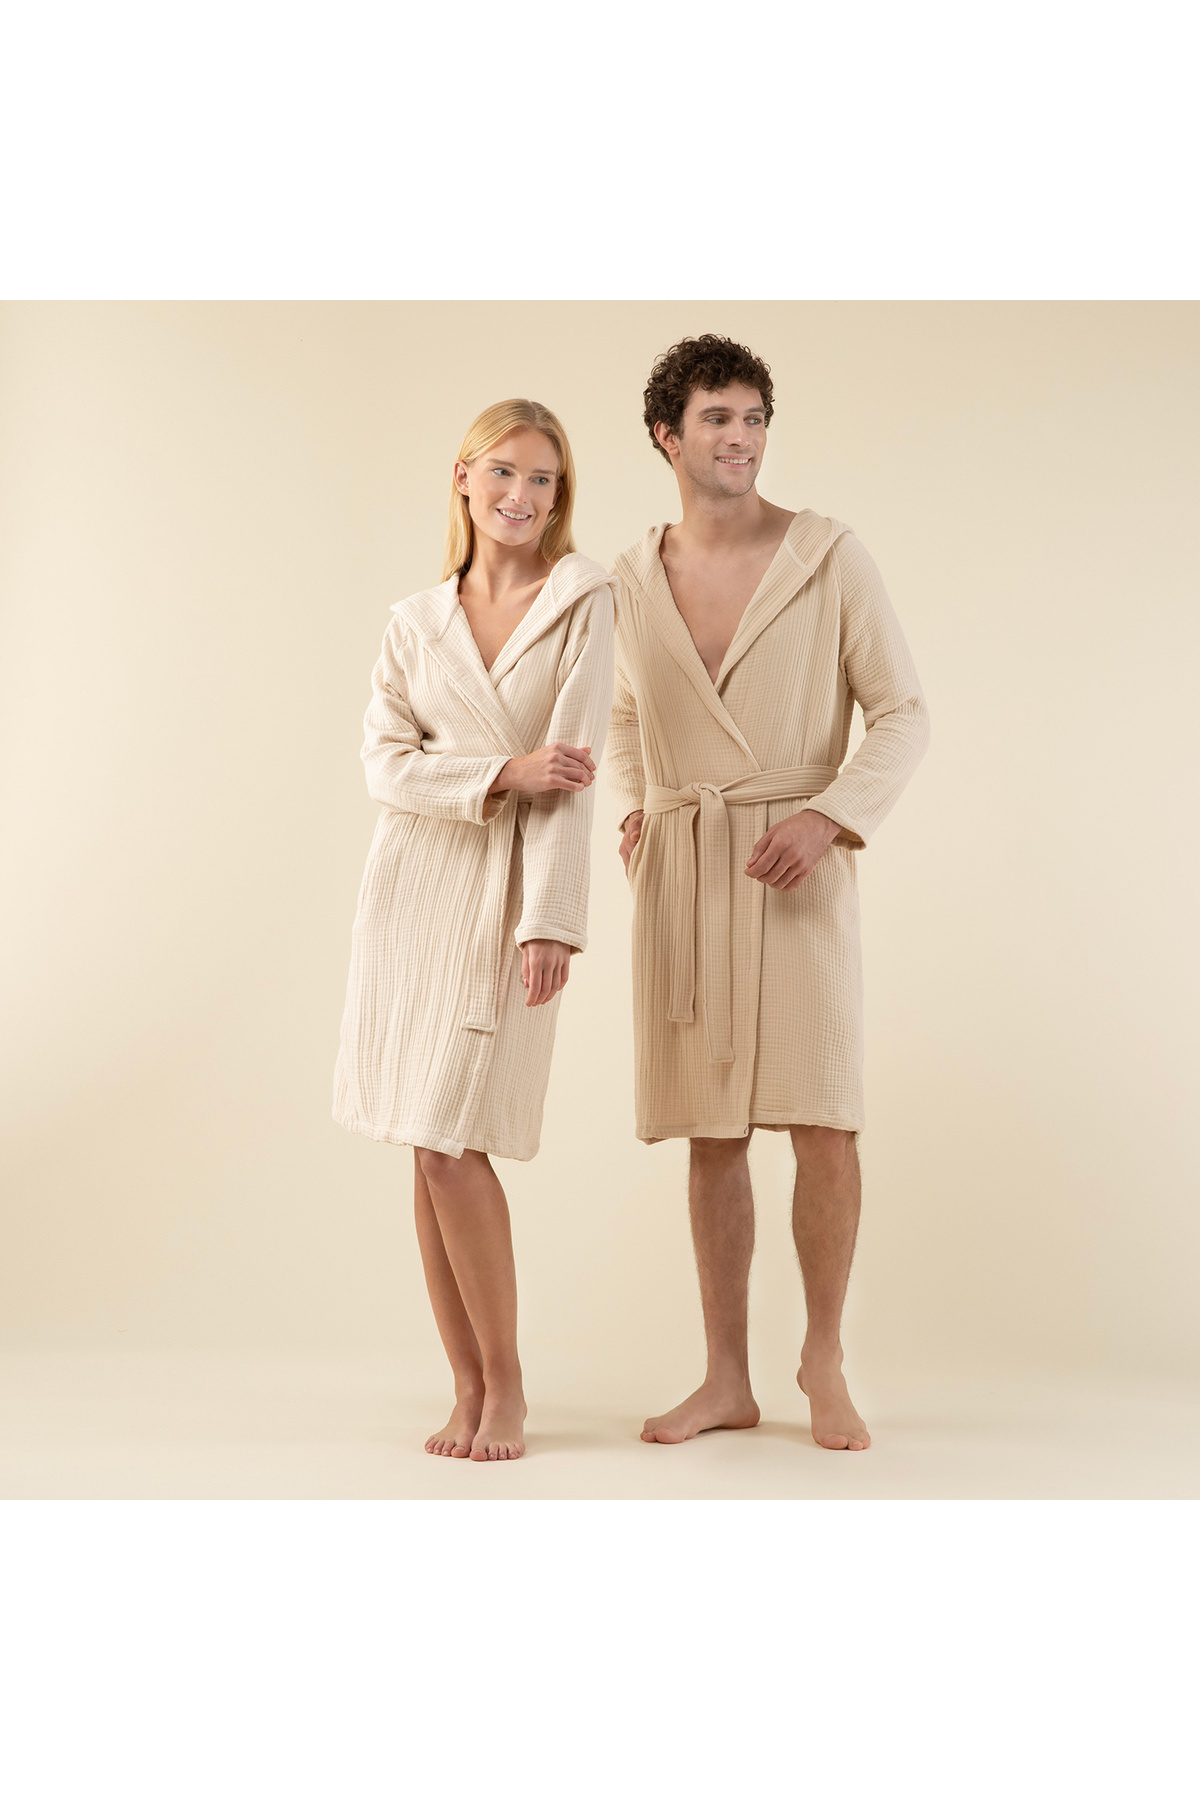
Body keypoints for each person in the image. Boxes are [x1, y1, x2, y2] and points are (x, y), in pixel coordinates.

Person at [608, 335, 929, 1452]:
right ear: (668, 436)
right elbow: (625, 711)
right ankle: (725, 1378)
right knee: (712, 1131)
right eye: (717, 418)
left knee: (823, 1117)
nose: (741, 437)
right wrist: (639, 807)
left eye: (753, 418)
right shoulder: (629, 576)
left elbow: (902, 713)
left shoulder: (828, 555)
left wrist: (829, 816)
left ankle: (823, 1357)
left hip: (799, 866)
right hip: (690, 868)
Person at [334, 399, 614, 1462]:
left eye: (542, 478)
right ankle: (465, 1384)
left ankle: (509, 1386)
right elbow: (383, 766)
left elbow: (572, 773)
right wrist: (503, 770)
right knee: (426, 1145)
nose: (521, 495)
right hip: (412, 890)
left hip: (510, 894)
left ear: (559, 493)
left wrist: (553, 920)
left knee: (455, 1142)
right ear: (463, 478)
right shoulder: (415, 620)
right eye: (502, 471)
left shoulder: (584, 599)